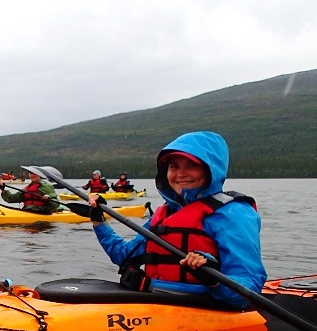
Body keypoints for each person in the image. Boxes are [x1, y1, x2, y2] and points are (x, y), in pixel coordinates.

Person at [87, 131, 266, 308]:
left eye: (191, 165)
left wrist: (212, 277)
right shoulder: (166, 213)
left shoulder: (234, 214)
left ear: (211, 169)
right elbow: (124, 256)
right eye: (174, 166)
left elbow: (248, 288)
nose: (181, 174)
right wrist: (99, 222)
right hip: (154, 304)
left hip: (203, 311)